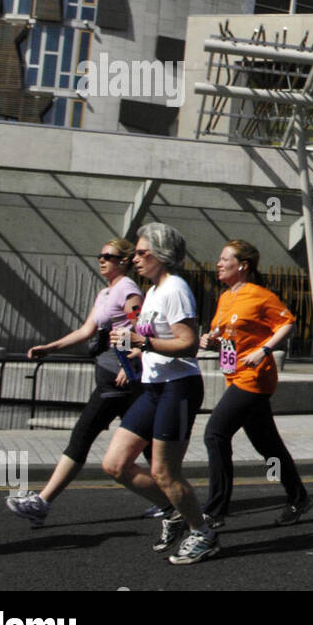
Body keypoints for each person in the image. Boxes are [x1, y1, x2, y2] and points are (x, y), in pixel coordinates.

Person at [5, 239, 144, 525]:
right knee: (151, 442)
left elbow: (141, 327)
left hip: (118, 381)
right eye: (100, 255)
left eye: (109, 256)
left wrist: (131, 361)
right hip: (111, 377)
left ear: (125, 261)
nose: (102, 259)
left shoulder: (128, 290)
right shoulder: (106, 293)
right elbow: (86, 331)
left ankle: (43, 502)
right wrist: (51, 347)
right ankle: (172, 502)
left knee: (82, 435)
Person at [100, 223, 216, 565]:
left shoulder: (175, 289)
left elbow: (188, 344)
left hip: (178, 388)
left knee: (165, 472)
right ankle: (173, 511)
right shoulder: (152, 292)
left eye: (141, 253)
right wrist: (134, 352)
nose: (134, 258)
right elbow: (154, 340)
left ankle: (203, 533)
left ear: (162, 254)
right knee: (115, 465)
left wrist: (143, 342)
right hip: (153, 387)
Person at [198, 240, 312, 528]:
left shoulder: (260, 296)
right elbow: (223, 332)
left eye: (225, 259)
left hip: (254, 378)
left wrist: (265, 349)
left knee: (215, 434)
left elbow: (287, 323)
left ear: (243, 266)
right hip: (233, 375)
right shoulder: (225, 297)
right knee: (267, 444)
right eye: (219, 259)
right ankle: (299, 497)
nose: (219, 264)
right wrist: (209, 339)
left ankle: (214, 511)